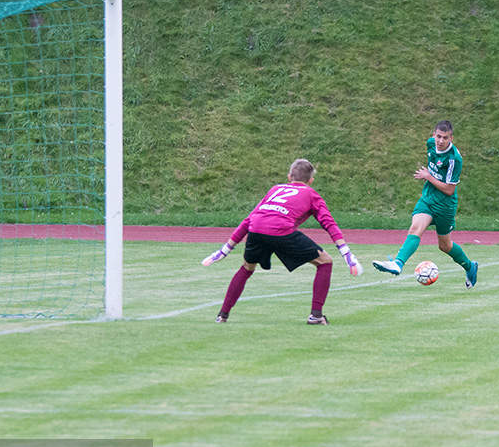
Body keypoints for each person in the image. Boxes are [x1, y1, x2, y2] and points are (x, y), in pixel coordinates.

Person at [202, 158, 362, 325]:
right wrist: (346, 252)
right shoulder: (311, 194)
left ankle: (222, 315)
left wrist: (225, 249)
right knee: (325, 262)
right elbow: (328, 222)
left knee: (247, 267)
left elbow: (248, 220)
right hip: (281, 231)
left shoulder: (275, 189)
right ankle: (316, 315)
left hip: (256, 230)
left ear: (289, 177)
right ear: (311, 181)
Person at [372, 120, 478, 288]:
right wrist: (431, 177)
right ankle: (398, 263)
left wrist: (429, 177)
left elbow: (449, 190)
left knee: (444, 246)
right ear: (433, 135)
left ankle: (470, 266)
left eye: (445, 138)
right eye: (438, 136)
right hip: (428, 199)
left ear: (451, 138)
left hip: (445, 205)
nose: (441, 141)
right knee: (415, 228)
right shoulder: (430, 144)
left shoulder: (454, 159)